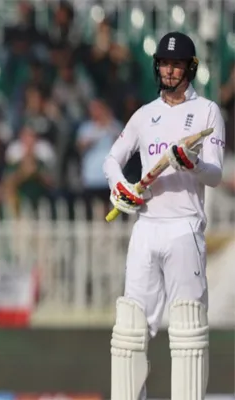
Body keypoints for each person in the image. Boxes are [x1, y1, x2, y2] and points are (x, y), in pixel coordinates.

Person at [103, 32, 225, 400]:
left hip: (184, 227)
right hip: (146, 227)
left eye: (177, 64)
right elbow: (112, 160)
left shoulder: (207, 111)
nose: (170, 71)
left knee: (188, 327)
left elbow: (215, 175)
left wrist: (193, 164)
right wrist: (121, 187)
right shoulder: (144, 115)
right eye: (165, 64)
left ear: (190, 68)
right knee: (130, 328)